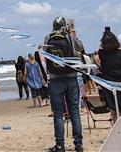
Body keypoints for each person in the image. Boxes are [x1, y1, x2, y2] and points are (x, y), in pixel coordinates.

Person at [42, 16, 83, 152]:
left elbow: (44, 56)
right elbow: (81, 48)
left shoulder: (47, 37)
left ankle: (60, 145)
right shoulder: (70, 37)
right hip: (71, 77)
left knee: (58, 114)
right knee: (74, 112)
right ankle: (78, 144)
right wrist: (73, 33)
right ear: (65, 26)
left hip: (55, 78)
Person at [95, 31, 121, 120]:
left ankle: (116, 127)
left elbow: (99, 59)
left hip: (110, 83)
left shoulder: (102, 53)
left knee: (114, 109)